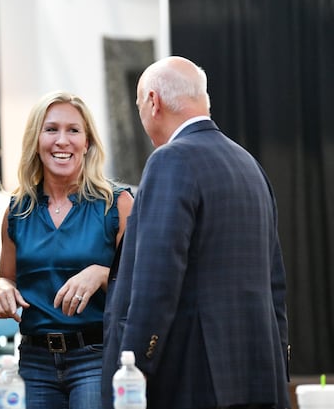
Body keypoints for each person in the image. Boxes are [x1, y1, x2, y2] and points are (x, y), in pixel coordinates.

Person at [102, 56, 291, 409]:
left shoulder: (170, 160)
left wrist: (133, 369)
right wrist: (279, 363)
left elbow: (157, 280)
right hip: (258, 375)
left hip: (191, 378)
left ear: (154, 102)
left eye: (141, 103)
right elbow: (274, 282)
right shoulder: (250, 164)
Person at [0, 90, 134, 409]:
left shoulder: (117, 204)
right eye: (51, 129)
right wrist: (0, 288)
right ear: (36, 140)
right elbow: (6, 277)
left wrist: (103, 273)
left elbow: (145, 284)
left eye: (73, 130)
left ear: (87, 142)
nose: (62, 141)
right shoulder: (17, 210)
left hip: (97, 357)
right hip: (34, 361)